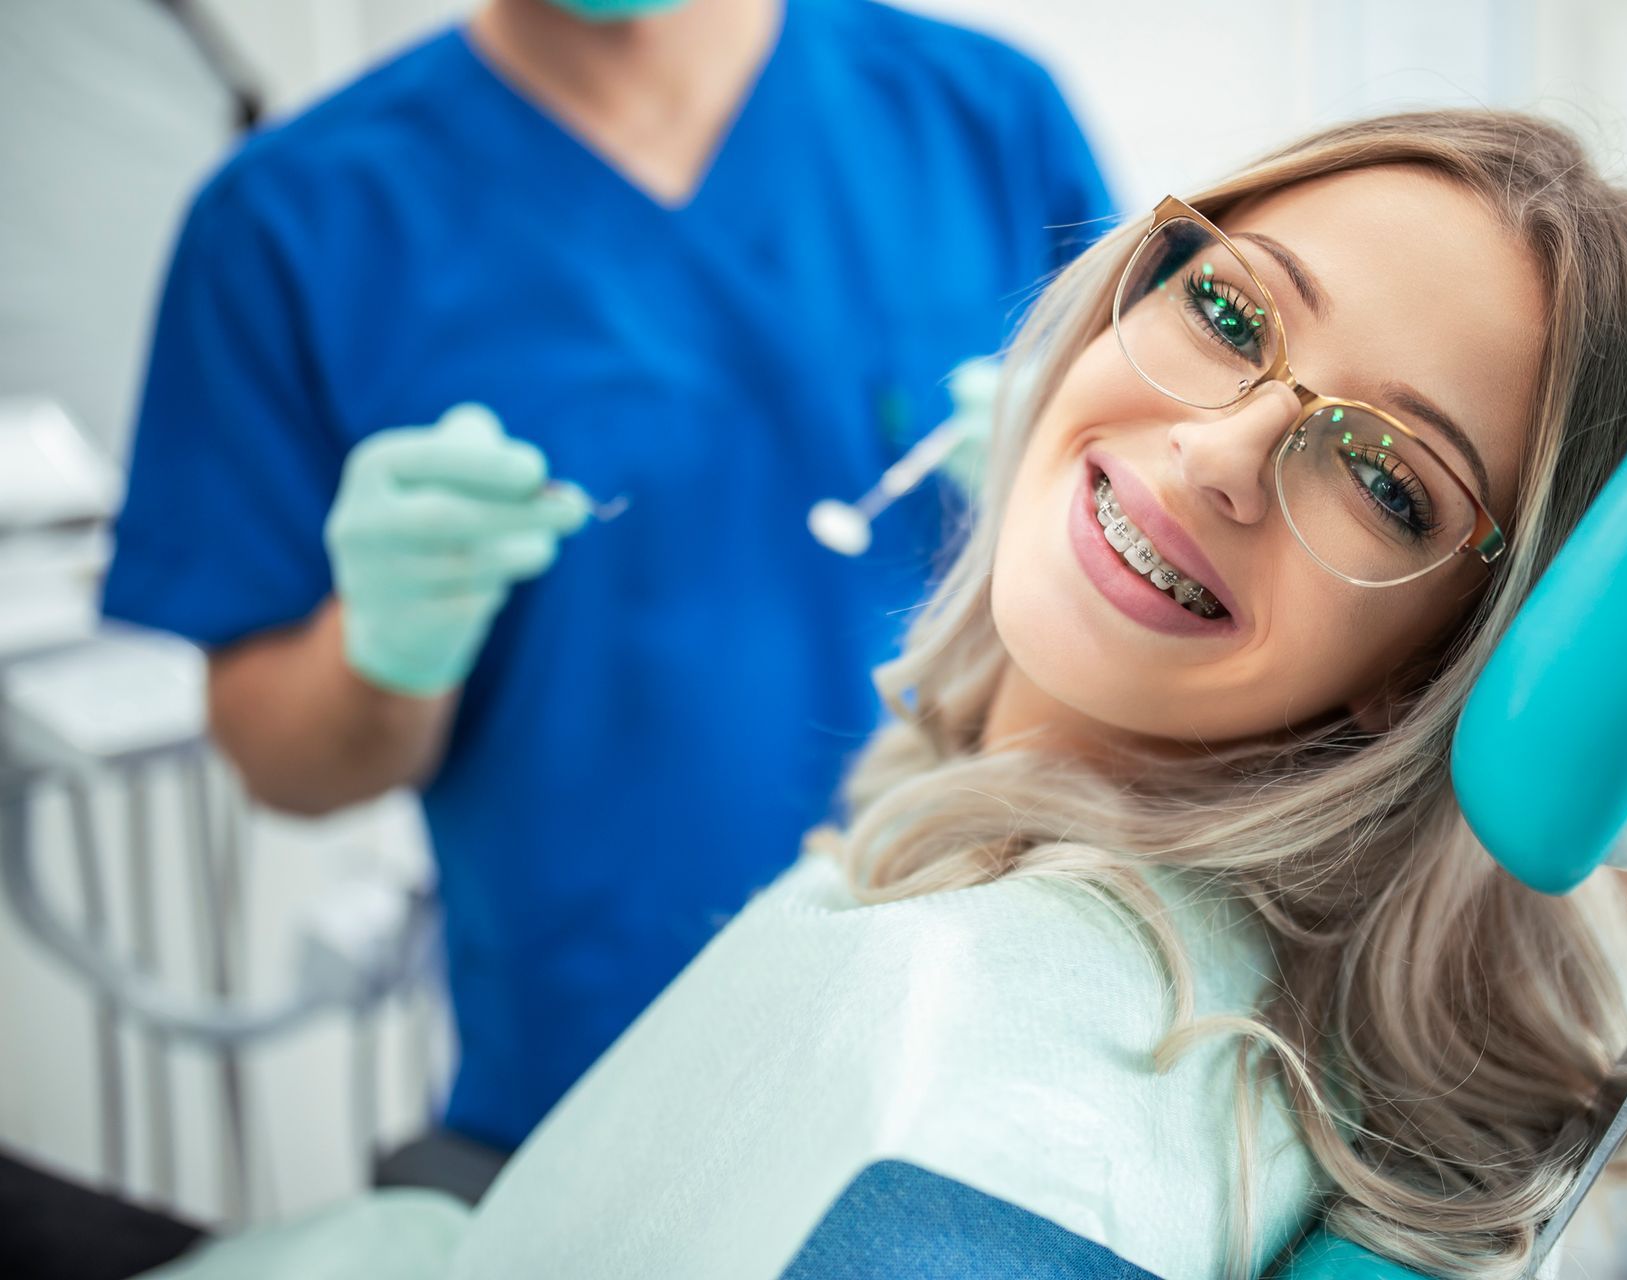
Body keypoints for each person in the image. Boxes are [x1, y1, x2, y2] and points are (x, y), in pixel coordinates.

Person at [139, 108, 1627, 1280]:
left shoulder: (1015, 1089)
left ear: (1449, 663)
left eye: (1384, 479)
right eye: (1228, 312)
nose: (1222, 452)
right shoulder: (298, 208)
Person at [102, 0, 1109, 1151]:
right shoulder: (292, 219)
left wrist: (1081, 507)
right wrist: (384, 642)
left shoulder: (980, 116)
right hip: (589, 1090)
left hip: (985, 1036)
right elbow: (281, 759)